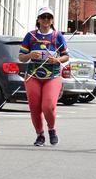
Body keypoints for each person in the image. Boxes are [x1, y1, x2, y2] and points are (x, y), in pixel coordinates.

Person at [19, 7, 69, 146]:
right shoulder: (30, 36)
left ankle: (52, 130)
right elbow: (21, 57)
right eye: (43, 17)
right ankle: (40, 135)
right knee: (34, 107)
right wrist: (30, 55)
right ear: (38, 19)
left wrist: (57, 60)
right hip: (33, 75)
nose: (46, 19)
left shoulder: (57, 36)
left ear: (52, 20)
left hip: (52, 75)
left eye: (49, 17)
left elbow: (66, 56)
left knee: (48, 106)